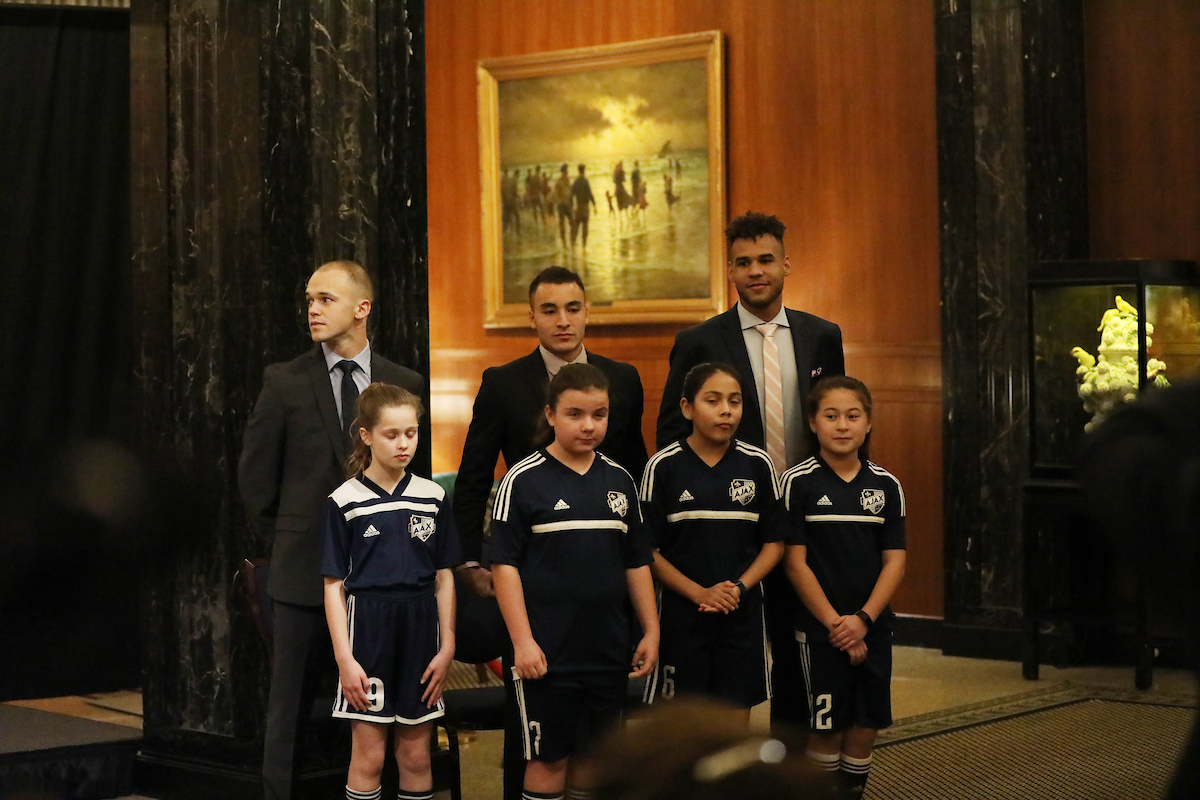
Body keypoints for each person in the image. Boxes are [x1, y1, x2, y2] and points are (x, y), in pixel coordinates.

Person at [453, 265, 648, 800]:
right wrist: (473, 562)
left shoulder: (624, 379)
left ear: (588, 312)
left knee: (600, 740)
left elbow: (637, 472)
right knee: (537, 736)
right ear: (531, 317)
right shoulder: (504, 382)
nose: (563, 321)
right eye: (549, 310)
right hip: (533, 576)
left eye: (573, 308)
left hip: (605, 576)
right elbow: (472, 479)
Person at [238, 260, 426, 800]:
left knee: (387, 708)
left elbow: (413, 479)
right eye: (309, 299)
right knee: (288, 708)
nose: (313, 310)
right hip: (302, 574)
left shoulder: (404, 382)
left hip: (386, 577)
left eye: (325, 299)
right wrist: (293, 543)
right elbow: (255, 480)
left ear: (361, 308)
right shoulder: (285, 380)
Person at [655, 211, 845, 732]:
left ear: (786, 263)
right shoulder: (699, 340)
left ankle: (787, 758)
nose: (755, 271)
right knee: (723, 650)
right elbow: (671, 430)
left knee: (799, 641)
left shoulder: (823, 336)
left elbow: (838, 414)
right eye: (743, 263)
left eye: (765, 259)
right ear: (731, 272)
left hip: (808, 516)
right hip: (732, 523)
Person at [490, 363, 660, 800]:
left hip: (606, 648)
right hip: (548, 653)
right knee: (549, 761)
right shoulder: (522, 480)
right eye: (575, 414)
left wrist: (651, 629)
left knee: (596, 759)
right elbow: (503, 566)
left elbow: (636, 561)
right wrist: (523, 642)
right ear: (550, 415)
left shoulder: (620, 480)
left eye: (599, 415)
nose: (589, 426)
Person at [321, 383, 460, 800]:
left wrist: (448, 643)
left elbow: (445, 576)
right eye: (391, 434)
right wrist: (344, 658)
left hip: (421, 628)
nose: (403, 444)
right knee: (370, 757)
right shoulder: (344, 501)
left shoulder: (432, 496)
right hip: (369, 630)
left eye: (411, 433)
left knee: (417, 757)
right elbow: (333, 587)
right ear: (365, 435)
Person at [780, 376, 906, 799]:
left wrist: (864, 620)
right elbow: (795, 564)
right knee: (826, 728)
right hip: (821, 633)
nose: (842, 425)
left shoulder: (887, 486)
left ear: (868, 423)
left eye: (853, 416)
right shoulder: (797, 483)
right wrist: (838, 624)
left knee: (865, 726)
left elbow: (895, 561)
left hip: (874, 628)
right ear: (813, 423)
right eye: (830, 416)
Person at [640, 363, 784, 718]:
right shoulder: (663, 466)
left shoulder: (758, 464)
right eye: (713, 400)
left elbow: (775, 543)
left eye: (735, 402)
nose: (726, 410)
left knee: (734, 726)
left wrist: (739, 587)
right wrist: (699, 593)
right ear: (687, 407)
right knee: (683, 731)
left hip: (742, 616)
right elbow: (645, 550)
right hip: (681, 618)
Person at [570, 164, 596, 248]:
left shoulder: (576, 181)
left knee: (576, 226)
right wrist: (594, 205)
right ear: (584, 170)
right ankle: (584, 246)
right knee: (585, 227)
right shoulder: (585, 181)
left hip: (578, 206)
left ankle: (573, 244)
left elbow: (572, 194)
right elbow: (590, 193)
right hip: (585, 206)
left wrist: (572, 206)